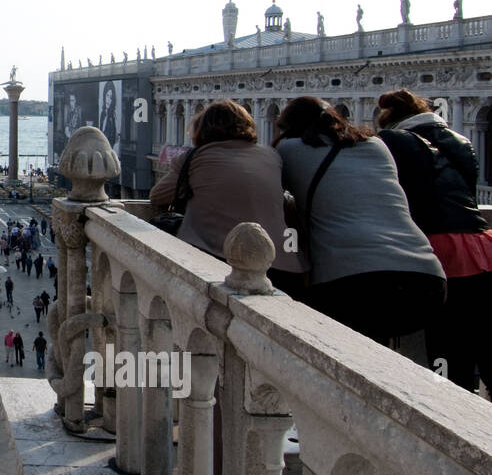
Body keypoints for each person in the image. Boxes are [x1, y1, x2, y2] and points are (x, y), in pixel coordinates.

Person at [274, 97, 445, 345]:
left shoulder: (289, 150)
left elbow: (273, 199)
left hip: (351, 282)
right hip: (426, 281)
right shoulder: (376, 145)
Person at [376, 89, 492, 394]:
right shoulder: (461, 141)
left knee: (445, 341)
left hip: (437, 248)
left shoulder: (394, 141)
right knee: (480, 338)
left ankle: (453, 408)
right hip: (479, 245)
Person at [149, 99, 307, 294]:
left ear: (201, 129)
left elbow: (157, 196)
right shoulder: (271, 155)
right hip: (286, 268)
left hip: (221, 265)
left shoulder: (195, 157)